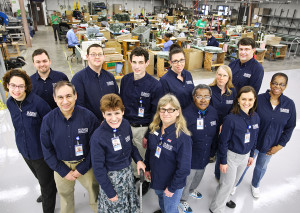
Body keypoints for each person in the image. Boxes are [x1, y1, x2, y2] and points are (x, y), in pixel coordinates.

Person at [233, 73, 296, 199]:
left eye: (281, 84)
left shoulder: (289, 105)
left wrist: (280, 145)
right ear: (270, 83)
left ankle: (255, 185)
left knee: (261, 166)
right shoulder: (259, 100)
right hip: (252, 142)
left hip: (271, 145)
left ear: (286, 86)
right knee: (244, 164)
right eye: (275, 83)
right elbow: (246, 117)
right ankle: (235, 184)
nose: (277, 86)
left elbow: (290, 127)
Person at [40, 81, 100, 213]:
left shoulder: (88, 117)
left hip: (86, 164)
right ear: (54, 99)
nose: (65, 101)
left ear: (75, 96)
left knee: (94, 193)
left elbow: (96, 147)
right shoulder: (48, 120)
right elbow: (47, 149)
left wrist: (83, 168)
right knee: (65, 197)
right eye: (60, 97)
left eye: (68, 96)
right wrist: (62, 170)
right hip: (61, 165)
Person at [3, 69, 56, 213]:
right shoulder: (10, 103)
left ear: (26, 86)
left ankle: (48, 205)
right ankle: (48, 191)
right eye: (13, 85)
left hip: (40, 152)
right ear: (7, 85)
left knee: (46, 183)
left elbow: (51, 127)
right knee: (40, 178)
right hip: (24, 149)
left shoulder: (38, 104)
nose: (16, 90)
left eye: (20, 86)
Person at [90, 94, 146, 213]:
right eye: (109, 114)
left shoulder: (125, 124)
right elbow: (98, 168)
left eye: (117, 113)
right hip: (111, 180)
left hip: (128, 174)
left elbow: (131, 146)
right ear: (103, 114)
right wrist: (109, 192)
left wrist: (139, 160)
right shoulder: (98, 137)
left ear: (123, 112)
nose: (114, 118)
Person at [210, 86, 260, 213]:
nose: (247, 102)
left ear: (254, 100)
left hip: (245, 155)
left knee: (234, 182)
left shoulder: (256, 117)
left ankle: (224, 199)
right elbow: (223, 142)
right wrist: (223, 161)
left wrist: (251, 155)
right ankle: (216, 208)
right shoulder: (231, 119)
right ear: (238, 100)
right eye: (243, 99)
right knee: (226, 184)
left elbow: (254, 137)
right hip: (231, 157)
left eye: (250, 99)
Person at [120, 47, 162, 195]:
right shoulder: (125, 80)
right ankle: (134, 175)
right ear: (130, 62)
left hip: (143, 128)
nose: (137, 66)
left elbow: (156, 113)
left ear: (147, 63)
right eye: (134, 62)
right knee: (129, 154)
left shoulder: (154, 85)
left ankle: (145, 181)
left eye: (140, 62)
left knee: (144, 156)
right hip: (125, 125)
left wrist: (148, 134)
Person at [145, 94, 192, 213]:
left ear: (178, 112)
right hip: (157, 178)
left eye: (171, 109)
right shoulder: (154, 129)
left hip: (172, 184)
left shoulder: (182, 138)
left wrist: (172, 188)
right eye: (163, 109)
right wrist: (147, 168)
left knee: (171, 209)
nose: (166, 113)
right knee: (162, 201)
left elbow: (184, 169)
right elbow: (150, 151)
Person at [179, 85, 219, 213]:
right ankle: (182, 200)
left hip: (205, 154)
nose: (203, 100)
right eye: (199, 96)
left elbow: (215, 133)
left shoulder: (213, 112)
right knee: (187, 178)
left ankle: (191, 190)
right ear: (193, 97)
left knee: (199, 175)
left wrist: (212, 152)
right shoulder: (185, 114)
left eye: (206, 96)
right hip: (190, 156)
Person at [71, 43, 119, 122]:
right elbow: (79, 106)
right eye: (93, 54)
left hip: (111, 122)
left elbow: (116, 100)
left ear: (104, 57)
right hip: (90, 125)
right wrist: (95, 122)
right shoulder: (78, 79)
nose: (97, 57)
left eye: (100, 54)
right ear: (87, 57)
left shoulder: (110, 77)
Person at [209, 65, 237, 180]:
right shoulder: (209, 89)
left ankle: (217, 173)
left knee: (223, 149)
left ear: (229, 77)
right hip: (211, 125)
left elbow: (233, 110)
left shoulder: (233, 92)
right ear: (216, 75)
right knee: (210, 148)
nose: (221, 78)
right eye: (219, 74)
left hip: (224, 126)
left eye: (224, 75)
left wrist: (224, 124)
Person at [160, 44, 194, 110]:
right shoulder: (164, 80)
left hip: (190, 115)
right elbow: (164, 105)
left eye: (181, 60)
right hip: (176, 117)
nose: (179, 64)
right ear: (170, 62)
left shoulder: (188, 74)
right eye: (175, 61)